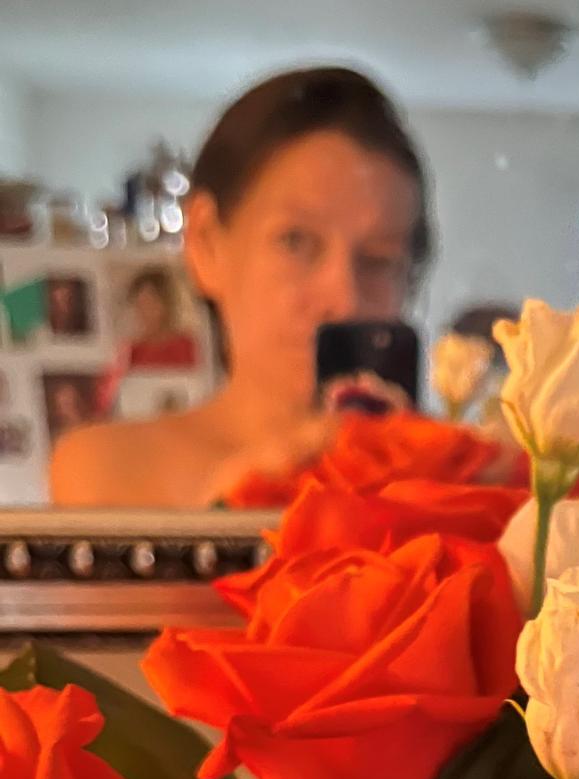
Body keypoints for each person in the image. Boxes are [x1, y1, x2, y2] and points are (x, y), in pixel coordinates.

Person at [50, 67, 431, 507]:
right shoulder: (109, 468)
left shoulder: (452, 476)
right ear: (206, 243)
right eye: (295, 241)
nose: (343, 300)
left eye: (379, 259)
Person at [122, 268, 200, 370]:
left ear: (167, 303)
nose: (144, 312)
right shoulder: (132, 351)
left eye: (150, 303)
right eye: (140, 304)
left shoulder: (189, 346)